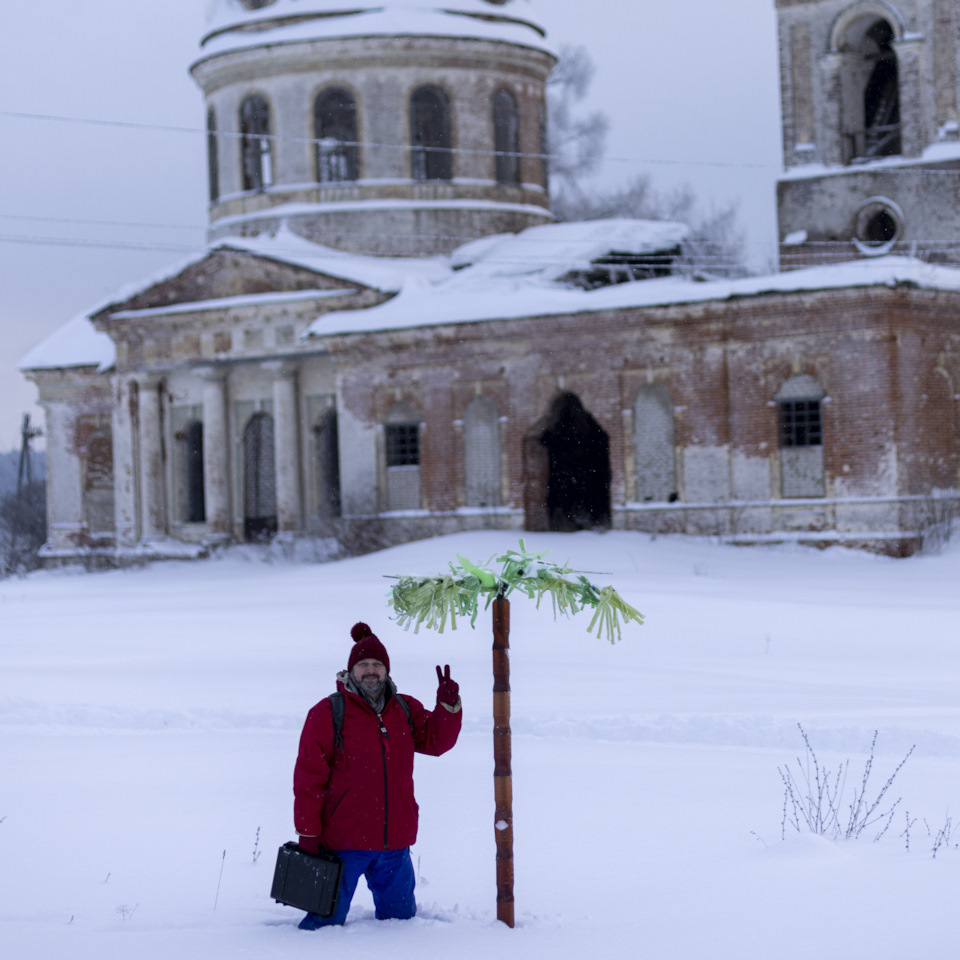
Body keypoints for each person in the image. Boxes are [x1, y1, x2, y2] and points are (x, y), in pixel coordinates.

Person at [293, 621, 462, 929]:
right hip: (343, 844)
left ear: (386, 670)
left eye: (377, 665)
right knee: (322, 927)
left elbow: (437, 742)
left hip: (394, 844)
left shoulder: (404, 708)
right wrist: (308, 833)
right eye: (363, 664)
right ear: (350, 670)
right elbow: (308, 778)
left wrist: (447, 707)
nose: (370, 670)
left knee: (400, 927)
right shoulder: (328, 712)